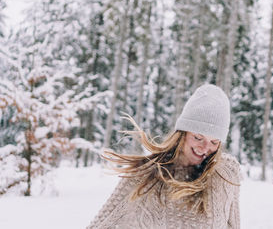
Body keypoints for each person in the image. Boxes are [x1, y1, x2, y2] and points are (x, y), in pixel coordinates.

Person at [87, 84, 241, 229]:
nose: (205, 148)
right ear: (182, 134)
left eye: (214, 142)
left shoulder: (226, 173)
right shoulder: (145, 172)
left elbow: (233, 225)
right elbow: (103, 223)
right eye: (198, 138)